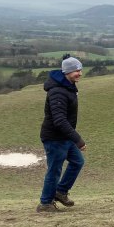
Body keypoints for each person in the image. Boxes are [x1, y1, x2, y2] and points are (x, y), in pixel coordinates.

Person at [37, 56, 86, 213]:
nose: (79, 73)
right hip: (54, 137)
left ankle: (60, 192)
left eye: (80, 70)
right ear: (67, 72)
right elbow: (59, 120)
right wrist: (77, 139)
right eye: (76, 71)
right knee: (54, 169)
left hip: (64, 137)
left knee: (77, 162)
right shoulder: (57, 91)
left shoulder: (68, 86)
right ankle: (45, 203)